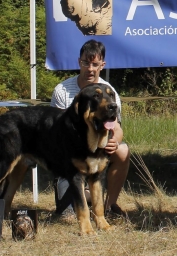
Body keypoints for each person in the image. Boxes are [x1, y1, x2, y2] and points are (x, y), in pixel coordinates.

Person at [50, 40, 130, 219]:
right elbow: (58, 130)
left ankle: (109, 206)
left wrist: (114, 142)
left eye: (95, 64)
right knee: (67, 216)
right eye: (86, 63)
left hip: (98, 150)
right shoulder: (62, 90)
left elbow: (117, 128)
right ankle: (84, 194)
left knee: (123, 150)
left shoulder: (110, 92)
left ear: (103, 65)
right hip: (70, 154)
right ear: (79, 62)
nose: (90, 68)